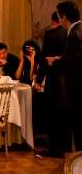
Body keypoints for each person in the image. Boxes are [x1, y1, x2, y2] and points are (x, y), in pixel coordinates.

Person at [34, 12, 67, 157]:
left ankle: (54, 149)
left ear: (53, 20)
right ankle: (65, 147)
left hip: (54, 78)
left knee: (52, 113)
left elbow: (43, 60)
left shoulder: (50, 35)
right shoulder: (68, 33)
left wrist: (39, 80)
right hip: (66, 79)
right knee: (63, 113)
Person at [50, 1, 82, 151]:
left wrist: (55, 63)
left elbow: (74, 64)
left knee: (79, 130)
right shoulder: (78, 30)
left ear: (64, 17)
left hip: (77, 89)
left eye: (59, 15)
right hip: (76, 88)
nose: (58, 19)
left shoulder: (75, 34)